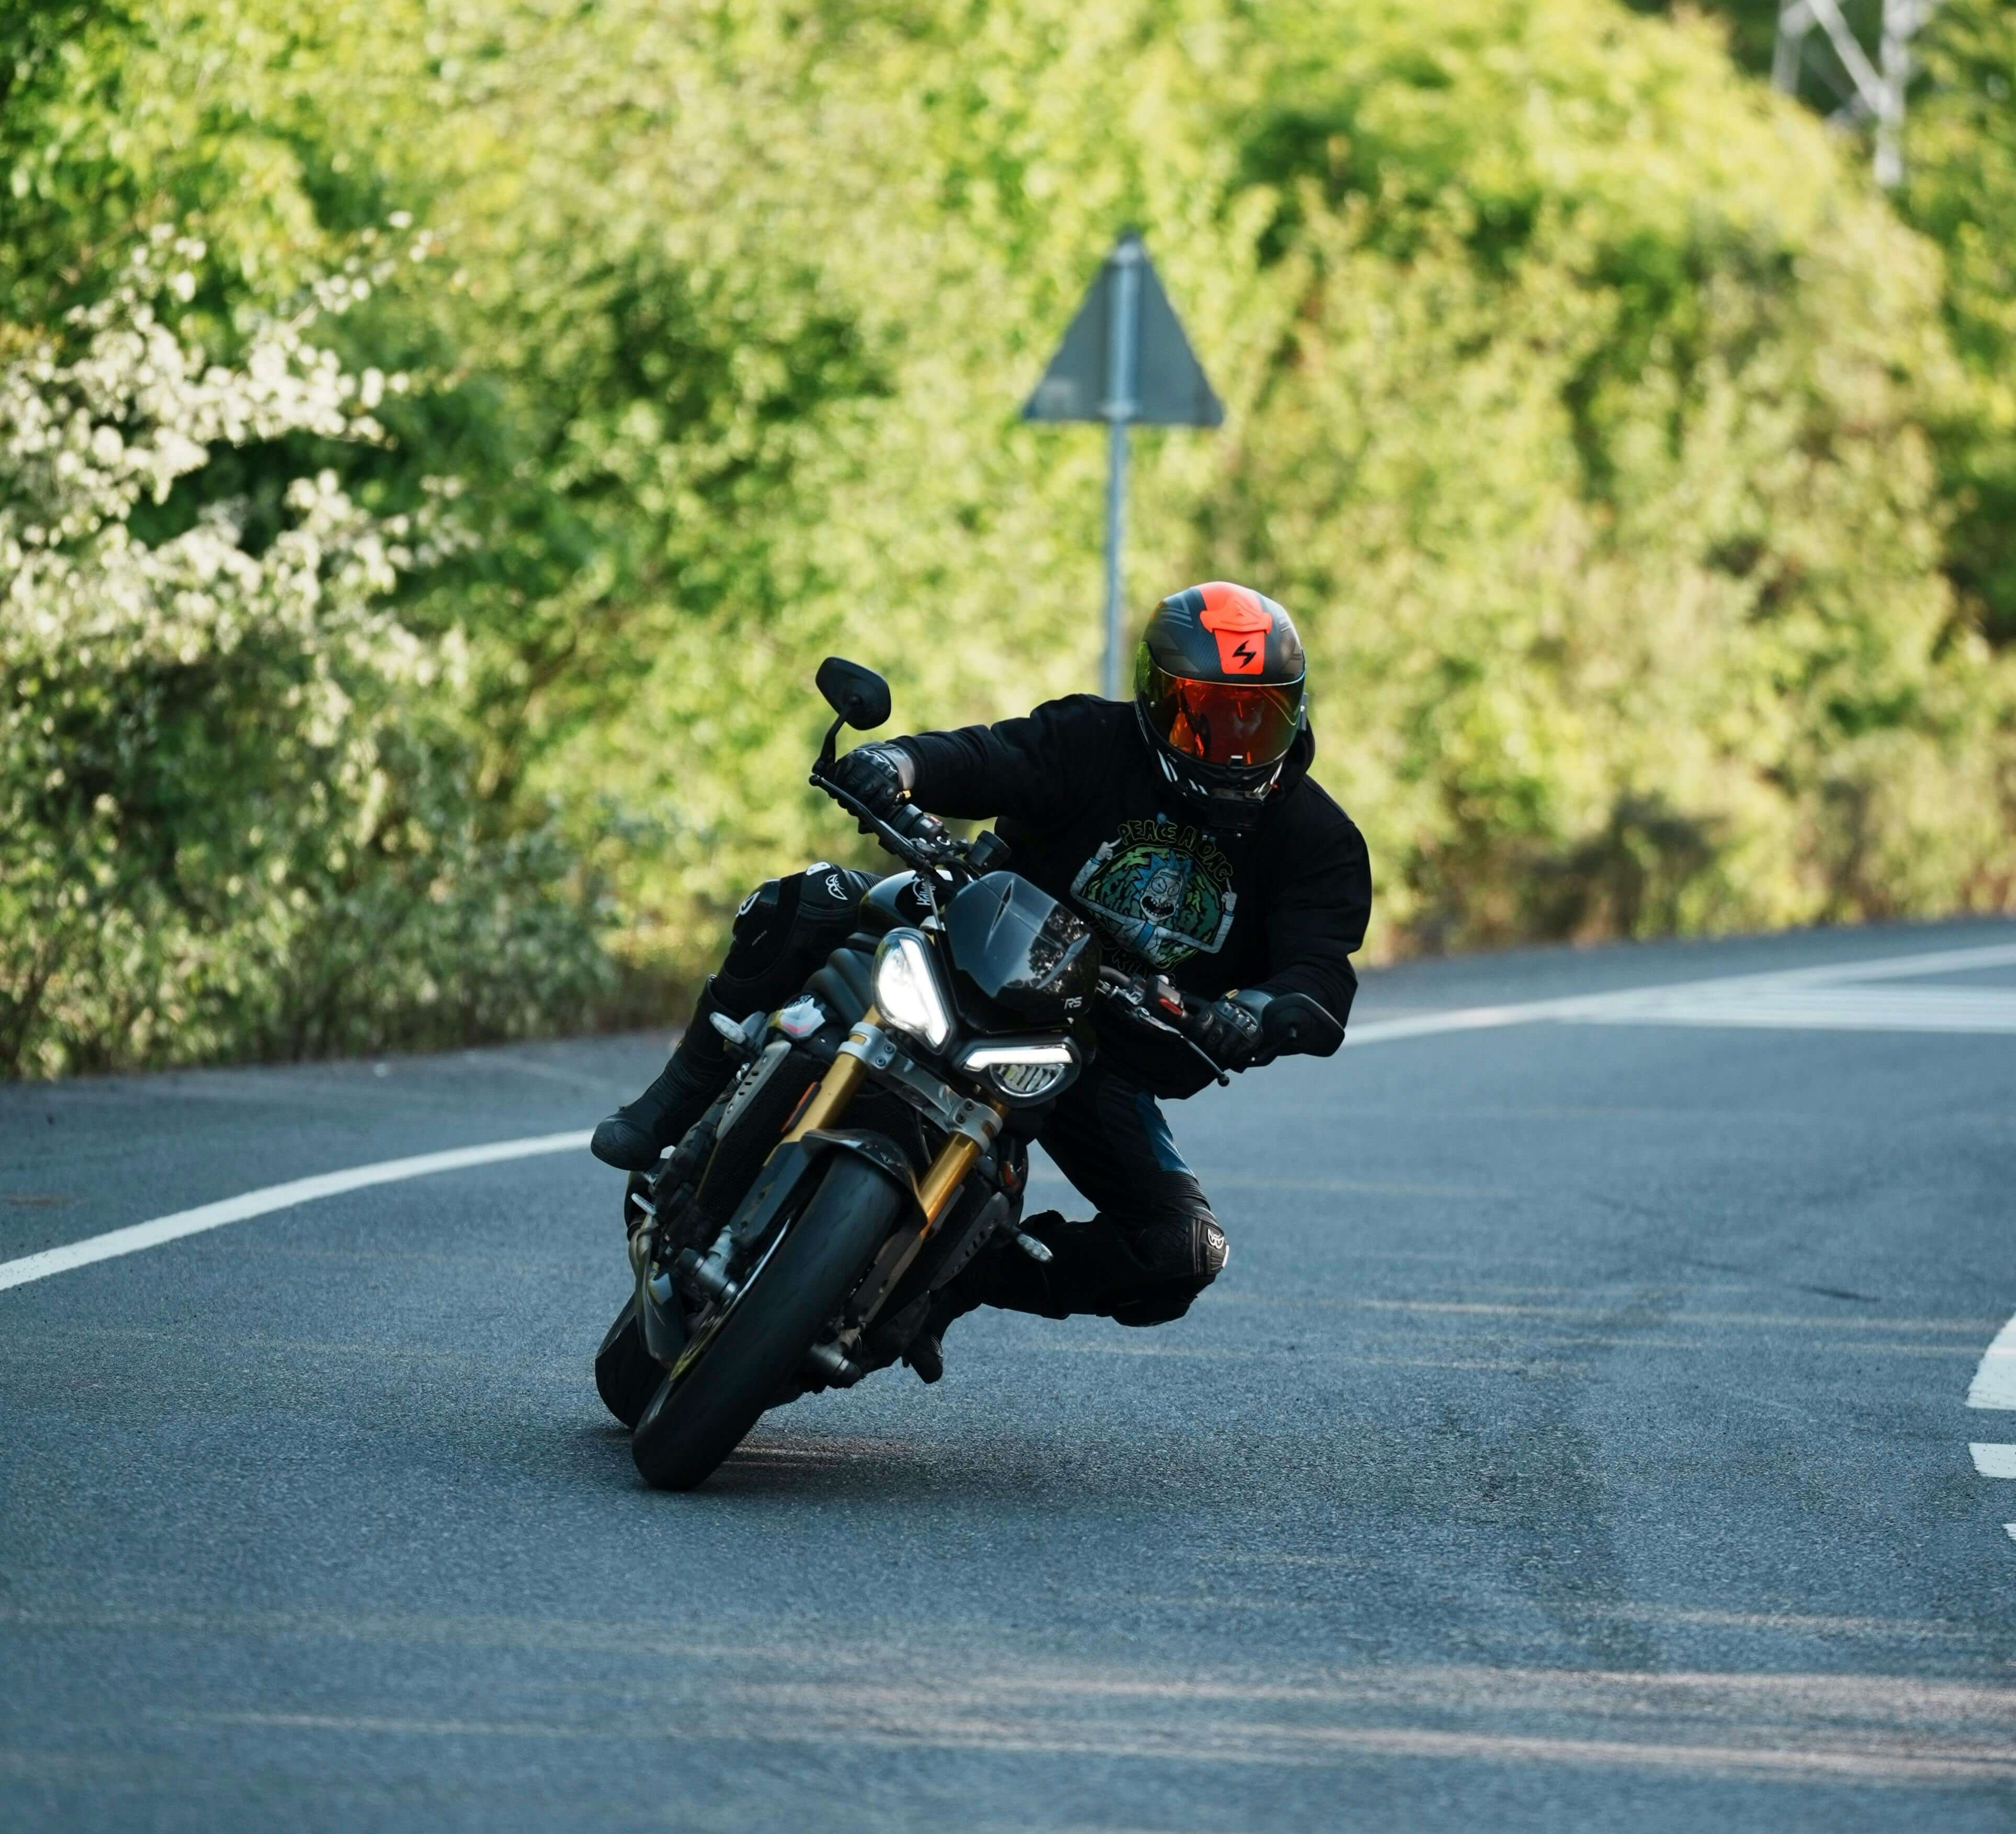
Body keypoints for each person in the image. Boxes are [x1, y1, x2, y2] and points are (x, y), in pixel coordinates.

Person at [592, 582, 1372, 1373]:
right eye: (1201, 711)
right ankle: (673, 1099)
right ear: (1153, 697)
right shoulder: (1091, 740)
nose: (1231, 739)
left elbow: (1318, 967)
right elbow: (988, 756)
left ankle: (954, 1279)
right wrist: (896, 763)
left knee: (1183, 1249)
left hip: (1098, 1053)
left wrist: (1262, 1011)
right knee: (814, 899)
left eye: (1257, 713)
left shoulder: (1317, 840)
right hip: (972, 950)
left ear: (1295, 711)